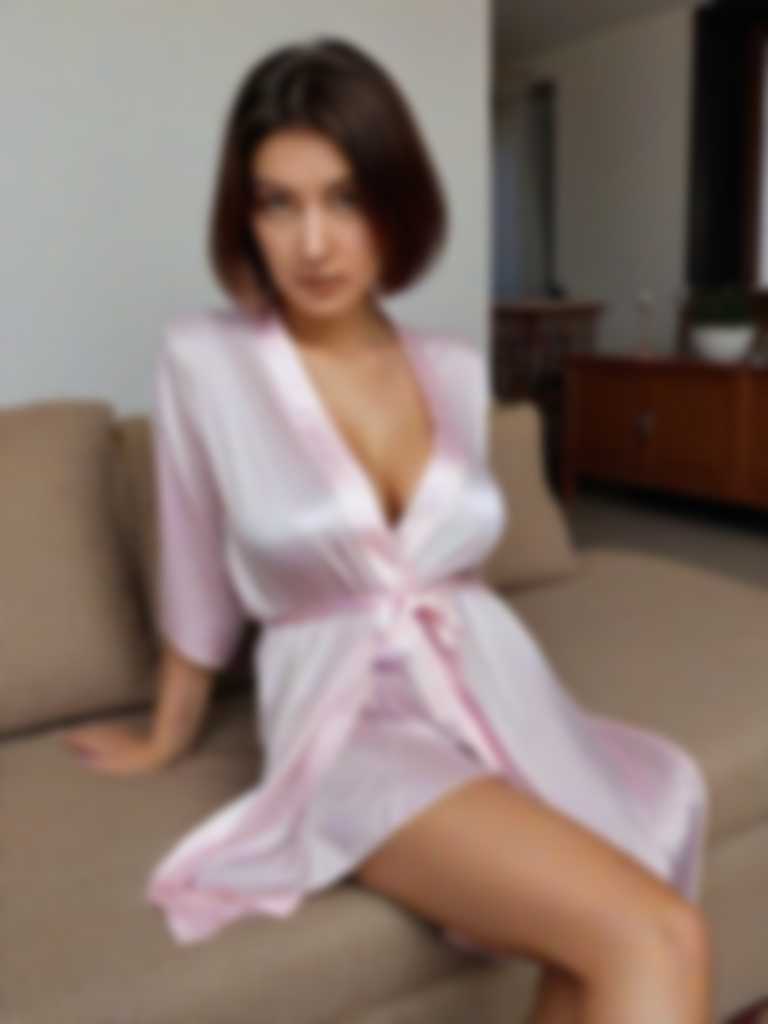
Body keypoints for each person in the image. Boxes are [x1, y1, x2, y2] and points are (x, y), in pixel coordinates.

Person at [60, 37, 714, 1022]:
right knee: (658, 932)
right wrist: (166, 736)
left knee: (624, 895)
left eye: (346, 198)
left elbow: (459, 565)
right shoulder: (206, 361)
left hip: (493, 688)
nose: (313, 243)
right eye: (279, 203)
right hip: (346, 725)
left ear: (397, 204)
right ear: (245, 217)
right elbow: (194, 564)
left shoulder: (452, 366)